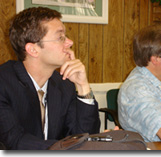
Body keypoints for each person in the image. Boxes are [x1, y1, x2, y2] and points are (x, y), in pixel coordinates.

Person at [0, 7, 100, 150]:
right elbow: (14, 141)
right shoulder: (3, 83)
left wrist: (82, 86)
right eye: (60, 37)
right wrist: (67, 147)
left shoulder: (65, 85)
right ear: (33, 49)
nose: (70, 42)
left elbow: (84, 135)